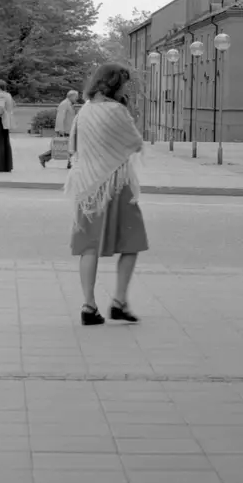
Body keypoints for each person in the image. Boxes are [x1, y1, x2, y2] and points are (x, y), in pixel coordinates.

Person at [65, 63, 147, 326]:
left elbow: (73, 146)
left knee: (88, 247)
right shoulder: (117, 111)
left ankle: (88, 306)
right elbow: (135, 143)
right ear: (115, 85)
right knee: (132, 242)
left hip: (87, 187)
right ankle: (119, 301)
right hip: (117, 185)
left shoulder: (84, 111)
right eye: (124, 84)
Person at [40, 89, 79, 169]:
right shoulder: (64, 104)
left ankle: (70, 163)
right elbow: (60, 117)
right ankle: (44, 157)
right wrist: (60, 129)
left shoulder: (69, 104)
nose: (77, 98)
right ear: (71, 96)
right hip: (65, 129)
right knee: (63, 146)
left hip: (69, 129)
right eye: (76, 97)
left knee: (67, 146)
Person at [0, 80, 14, 172]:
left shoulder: (0, 95)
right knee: (6, 143)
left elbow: (1, 107)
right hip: (7, 120)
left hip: (1, 120)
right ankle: (7, 165)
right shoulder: (8, 95)